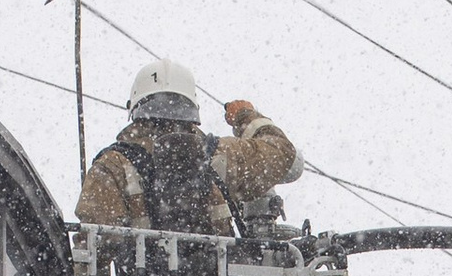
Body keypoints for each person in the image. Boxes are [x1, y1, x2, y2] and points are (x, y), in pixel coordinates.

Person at [74, 58, 304, 229]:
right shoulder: (220, 154)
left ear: (135, 107)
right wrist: (246, 116)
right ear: (191, 106)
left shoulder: (112, 165)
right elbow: (282, 153)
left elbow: (95, 244)